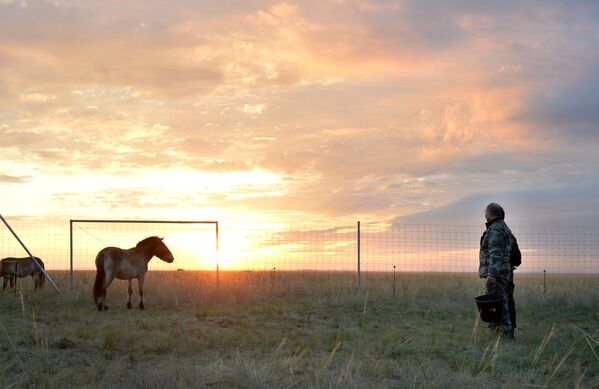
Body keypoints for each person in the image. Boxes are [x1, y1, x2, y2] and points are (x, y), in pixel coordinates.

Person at [479, 202, 513, 339]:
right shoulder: (503, 228)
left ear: (491, 213)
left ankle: (504, 335)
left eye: (486, 212)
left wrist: (491, 274)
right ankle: (497, 334)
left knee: (498, 304)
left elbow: (496, 253)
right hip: (503, 272)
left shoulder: (495, 229)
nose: (485, 215)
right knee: (499, 303)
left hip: (497, 274)